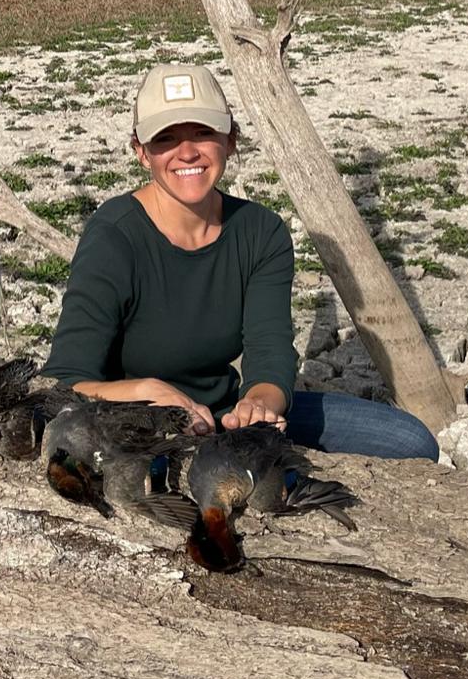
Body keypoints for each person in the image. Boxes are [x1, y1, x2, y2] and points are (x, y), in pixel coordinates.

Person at [42, 62, 438, 459]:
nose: (187, 152)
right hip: (131, 423)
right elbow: (62, 382)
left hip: (227, 415)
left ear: (230, 140)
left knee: (411, 440)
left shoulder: (260, 231)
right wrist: (147, 395)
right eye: (166, 138)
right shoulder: (113, 236)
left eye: (203, 133)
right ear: (141, 153)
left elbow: (269, 349)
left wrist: (259, 405)